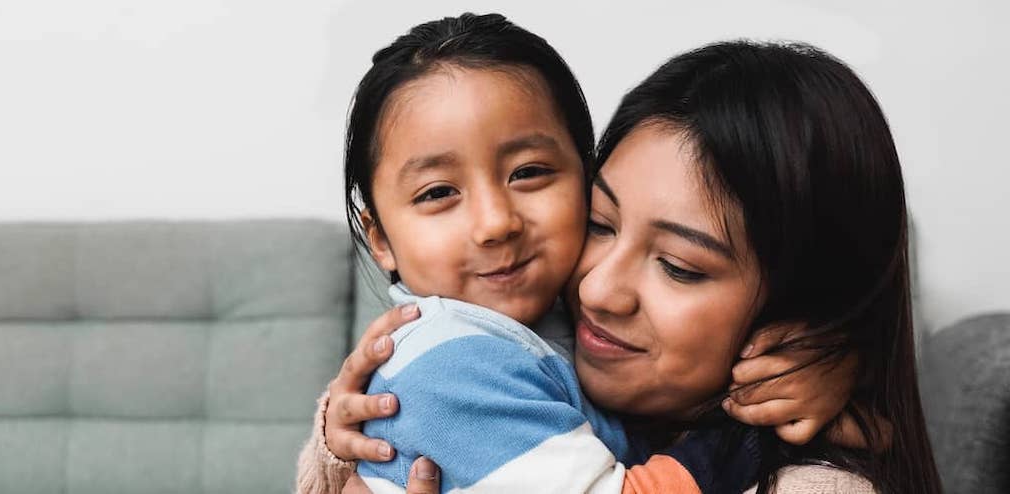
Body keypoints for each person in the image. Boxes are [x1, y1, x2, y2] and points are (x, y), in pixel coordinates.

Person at [322, 40, 945, 494]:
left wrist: (825, 372)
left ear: (801, 307)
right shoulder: (463, 358)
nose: (597, 290)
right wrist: (339, 437)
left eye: (678, 266)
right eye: (601, 225)